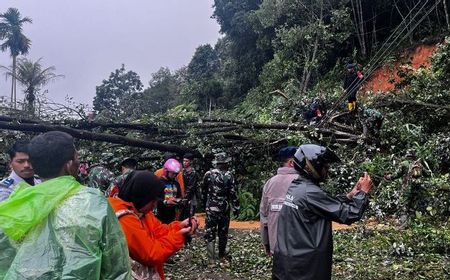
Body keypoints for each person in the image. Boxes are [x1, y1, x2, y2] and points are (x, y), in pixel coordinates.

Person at [0, 131, 131, 279]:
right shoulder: (92, 201)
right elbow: (115, 263)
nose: (78, 161)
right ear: (69, 165)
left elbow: (6, 258)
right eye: (77, 157)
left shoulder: (17, 202)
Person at [272, 144, 373, 280]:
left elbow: (323, 204)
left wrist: (350, 195)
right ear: (312, 167)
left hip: (289, 262)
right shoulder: (310, 192)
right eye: (325, 167)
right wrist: (363, 193)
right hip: (305, 267)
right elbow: (350, 214)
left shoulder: (298, 186)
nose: (328, 171)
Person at [109, 170, 198, 280]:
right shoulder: (124, 218)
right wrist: (178, 236)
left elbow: (158, 230)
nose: (155, 205)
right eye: (153, 201)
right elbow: (152, 254)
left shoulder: (140, 211)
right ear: (142, 196)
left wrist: (179, 226)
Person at [259, 146, 299, 256]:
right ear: (292, 162)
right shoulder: (302, 182)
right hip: (300, 249)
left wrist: (267, 243)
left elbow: (264, 218)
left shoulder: (269, 184)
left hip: (276, 248)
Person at [202, 152, 240, 265]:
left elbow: (203, 191)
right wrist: (236, 208)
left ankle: (211, 259)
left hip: (211, 208)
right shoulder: (229, 175)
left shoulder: (208, 174)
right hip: (224, 208)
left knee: (210, 232)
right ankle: (221, 255)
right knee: (223, 232)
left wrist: (206, 204)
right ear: (225, 163)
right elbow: (233, 194)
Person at [155, 158, 183, 224]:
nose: (175, 176)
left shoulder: (176, 183)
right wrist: (166, 202)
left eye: (176, 174)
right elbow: (154, 198)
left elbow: (179, 196)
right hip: (160, 215)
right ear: (166, 171)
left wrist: (179, 201)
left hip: (172, 215)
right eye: (173, 173)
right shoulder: (158, 182)